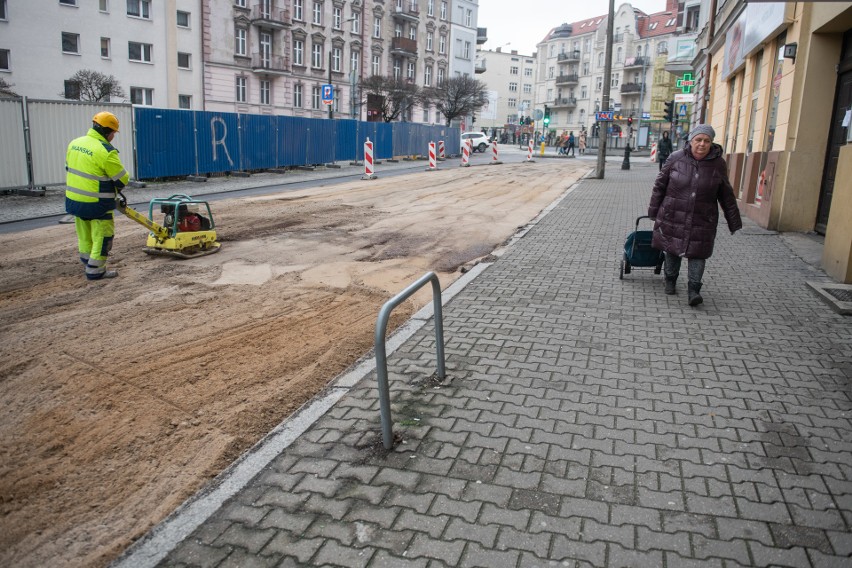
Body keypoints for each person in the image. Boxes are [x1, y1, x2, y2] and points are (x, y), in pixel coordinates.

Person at [648, 124, 742, 306]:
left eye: (707, 141)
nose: (702, 144)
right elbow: (660, 185)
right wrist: (653, 211)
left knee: (698, 253)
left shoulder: (718, 164)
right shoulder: (675, 158)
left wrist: (734, 221)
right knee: (672, 248)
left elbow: (726, 194)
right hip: (673, 213)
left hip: (702, 217)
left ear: (711, 143)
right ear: (691, 141)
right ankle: (670, 281)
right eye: (698, 140)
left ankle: (694, 290)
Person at [65, 111, 130, 280]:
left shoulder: (74, 143)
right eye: (113, 133)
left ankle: (87, 263)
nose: (113, 136)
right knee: (102, 236)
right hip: (97, 203)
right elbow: (122, 179)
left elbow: (69, 168)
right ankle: (96, 270)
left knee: (84, 234)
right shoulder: (106, 151)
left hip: (74, 201)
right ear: (107, 132)